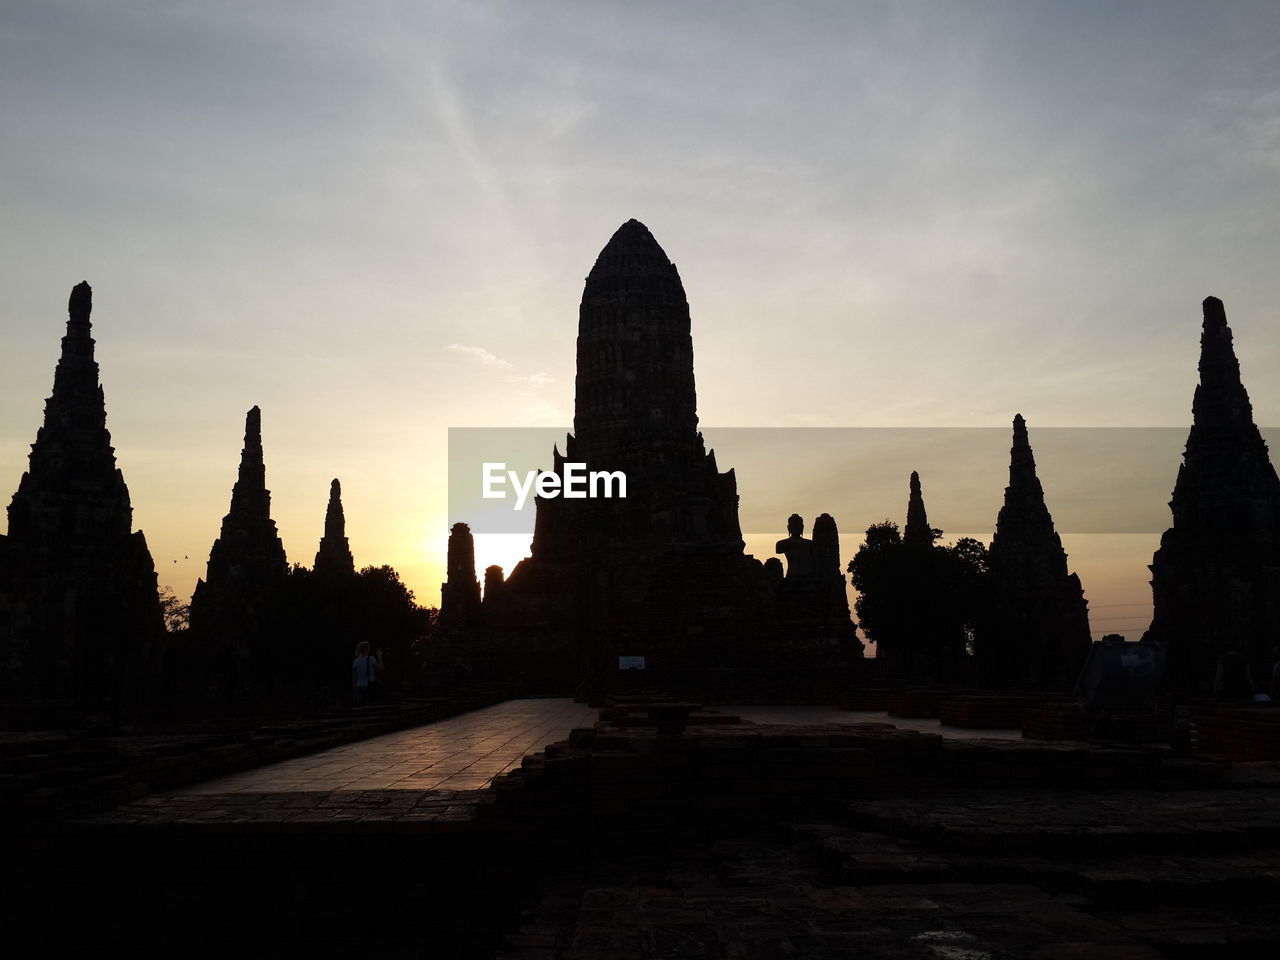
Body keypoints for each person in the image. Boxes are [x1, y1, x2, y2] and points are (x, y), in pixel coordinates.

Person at [352, 641, 379, 707]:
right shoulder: (371, 659)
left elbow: (354, 677)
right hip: (369, 685)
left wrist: (354, 688)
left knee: (360, 707)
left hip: (359, 686)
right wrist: (379, 656)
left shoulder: (355, 662)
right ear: (367, 649)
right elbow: (381, 668)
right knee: (370, 706)